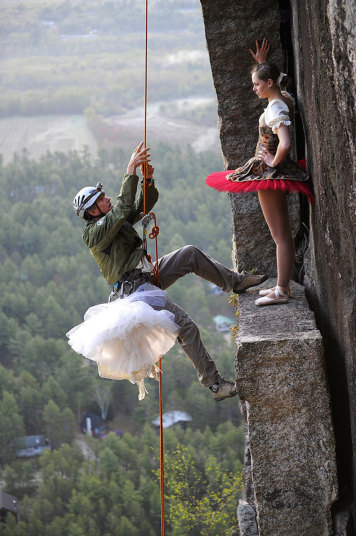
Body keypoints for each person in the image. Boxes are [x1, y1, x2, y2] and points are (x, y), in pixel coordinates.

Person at [71, 142, 267, 401]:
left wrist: (147, 180)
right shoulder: (94, 234)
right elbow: (120, 210)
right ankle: (215, 385)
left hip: (145, 276)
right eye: (101, 199)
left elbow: (143, 206)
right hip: (137, 292)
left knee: (190, 254)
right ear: (93, 211)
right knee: (186, 327)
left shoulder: (111, 221)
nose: (106, 198)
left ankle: (236, 283)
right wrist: (131, 170)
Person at [206, 39, 314, 306]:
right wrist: (262, 65)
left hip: (268, 173)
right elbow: (279, 85)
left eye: (257, 83)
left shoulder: (277, 107)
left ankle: (281, 290)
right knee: (282, 235)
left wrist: (273, 163)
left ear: (268, 83)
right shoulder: (283, 96)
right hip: (268, 170)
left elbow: (285, 142)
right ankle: (281, 287)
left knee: (280, 236)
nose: (253, 88)